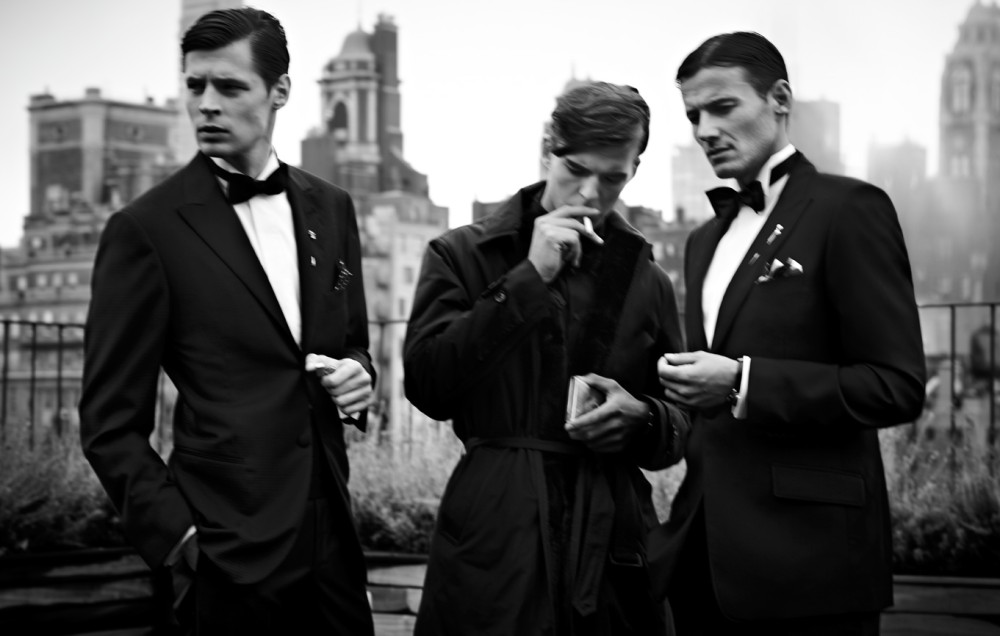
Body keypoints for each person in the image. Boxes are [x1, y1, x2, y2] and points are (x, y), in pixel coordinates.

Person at [78, 7, 375, 634]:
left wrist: (358, 376)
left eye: (230, 87)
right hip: (224, 555)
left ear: (279, 91)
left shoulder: (333, 207)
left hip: (333, 546)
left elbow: (353, 344)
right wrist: (181, 541)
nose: (207, 104)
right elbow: (109, 425)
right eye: (195, 86)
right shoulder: (145, 230)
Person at [647, 31, 927, 635]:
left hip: (811, 566)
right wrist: (647, 407)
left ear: (779, 99)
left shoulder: (849, 209)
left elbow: (897, 386)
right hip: (702, 563)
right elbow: (706, 399)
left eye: (723, 107)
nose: (704, 130)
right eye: (693, 116)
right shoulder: (702, 242)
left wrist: (744, 383)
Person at [404, 81, 689, 636]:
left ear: (634, 169)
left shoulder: (648, 278)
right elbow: (427, 385)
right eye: (576, 170)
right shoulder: (462, 253)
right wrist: (529, 277)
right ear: (546, 149)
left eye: (613, 178)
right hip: (497, 534)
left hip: (613, 546)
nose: (591, 193)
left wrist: (644, 418)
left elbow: (681, 424)